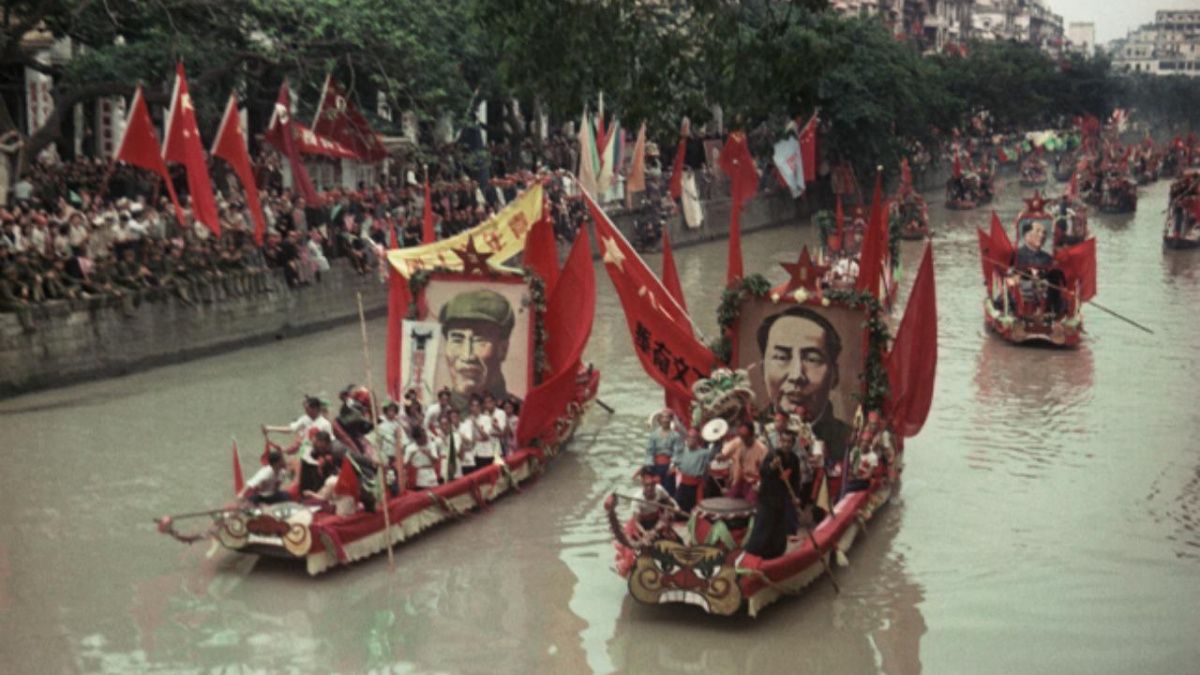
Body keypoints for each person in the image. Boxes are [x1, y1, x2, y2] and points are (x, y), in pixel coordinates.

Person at [756, 305, 854, 466]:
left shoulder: (848, 441)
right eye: (781, 357)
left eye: (812, 359)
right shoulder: (751, 431)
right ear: (762, 369)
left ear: (834, 375)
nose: (796, 375)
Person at [438, 288, 520, 410]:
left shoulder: (519, 413)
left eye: (480, 340)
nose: (467, 356)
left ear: (503, 349)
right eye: (457, 339)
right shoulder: (434, 413)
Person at [718, 421, 768, 503]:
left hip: (753, 483)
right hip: (739, 480)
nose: (743, 439)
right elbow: (724, 454)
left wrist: (759, 485)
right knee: (730, 501)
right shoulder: (738, 442)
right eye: (741, 436)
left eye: (745, 436)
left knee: (750, 504)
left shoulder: (762, 449)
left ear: (752, 435)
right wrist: (720, 456)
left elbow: (765, 472)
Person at [671, 427, 716, 513]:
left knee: (695, 509)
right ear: (686, 439)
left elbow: (714, 453)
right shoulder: (682, 451)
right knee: (676, 505)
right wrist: (672, 466)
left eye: (693, 437)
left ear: (697, 440)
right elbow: (675, 462)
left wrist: (717, 440)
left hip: (695, 487)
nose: (690, 440)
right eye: (689, 437)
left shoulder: (704, 453)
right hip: (683, 484)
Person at [643, 409, 682, 496]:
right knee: (654, 488)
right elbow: (649, 451)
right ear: (660, 420)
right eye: (663, 418)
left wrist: (673, 465)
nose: (665, 420)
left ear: (671, 420)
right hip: (655, 465)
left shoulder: (676, 436)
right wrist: (649, 463)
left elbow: (677, 452)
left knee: (669, 489)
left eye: (667, 418)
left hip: (669, 466)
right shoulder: (654, 435)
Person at [403, 426, 443, 490]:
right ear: (417, 439)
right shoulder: (410, 448)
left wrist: (428, 454)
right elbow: (405, 465)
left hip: (431, 473)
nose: (425, 438)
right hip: (419, 475)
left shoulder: (431, 445)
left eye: (425, 436)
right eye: (423, 437)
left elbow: (436, 461)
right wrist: (411, 456)